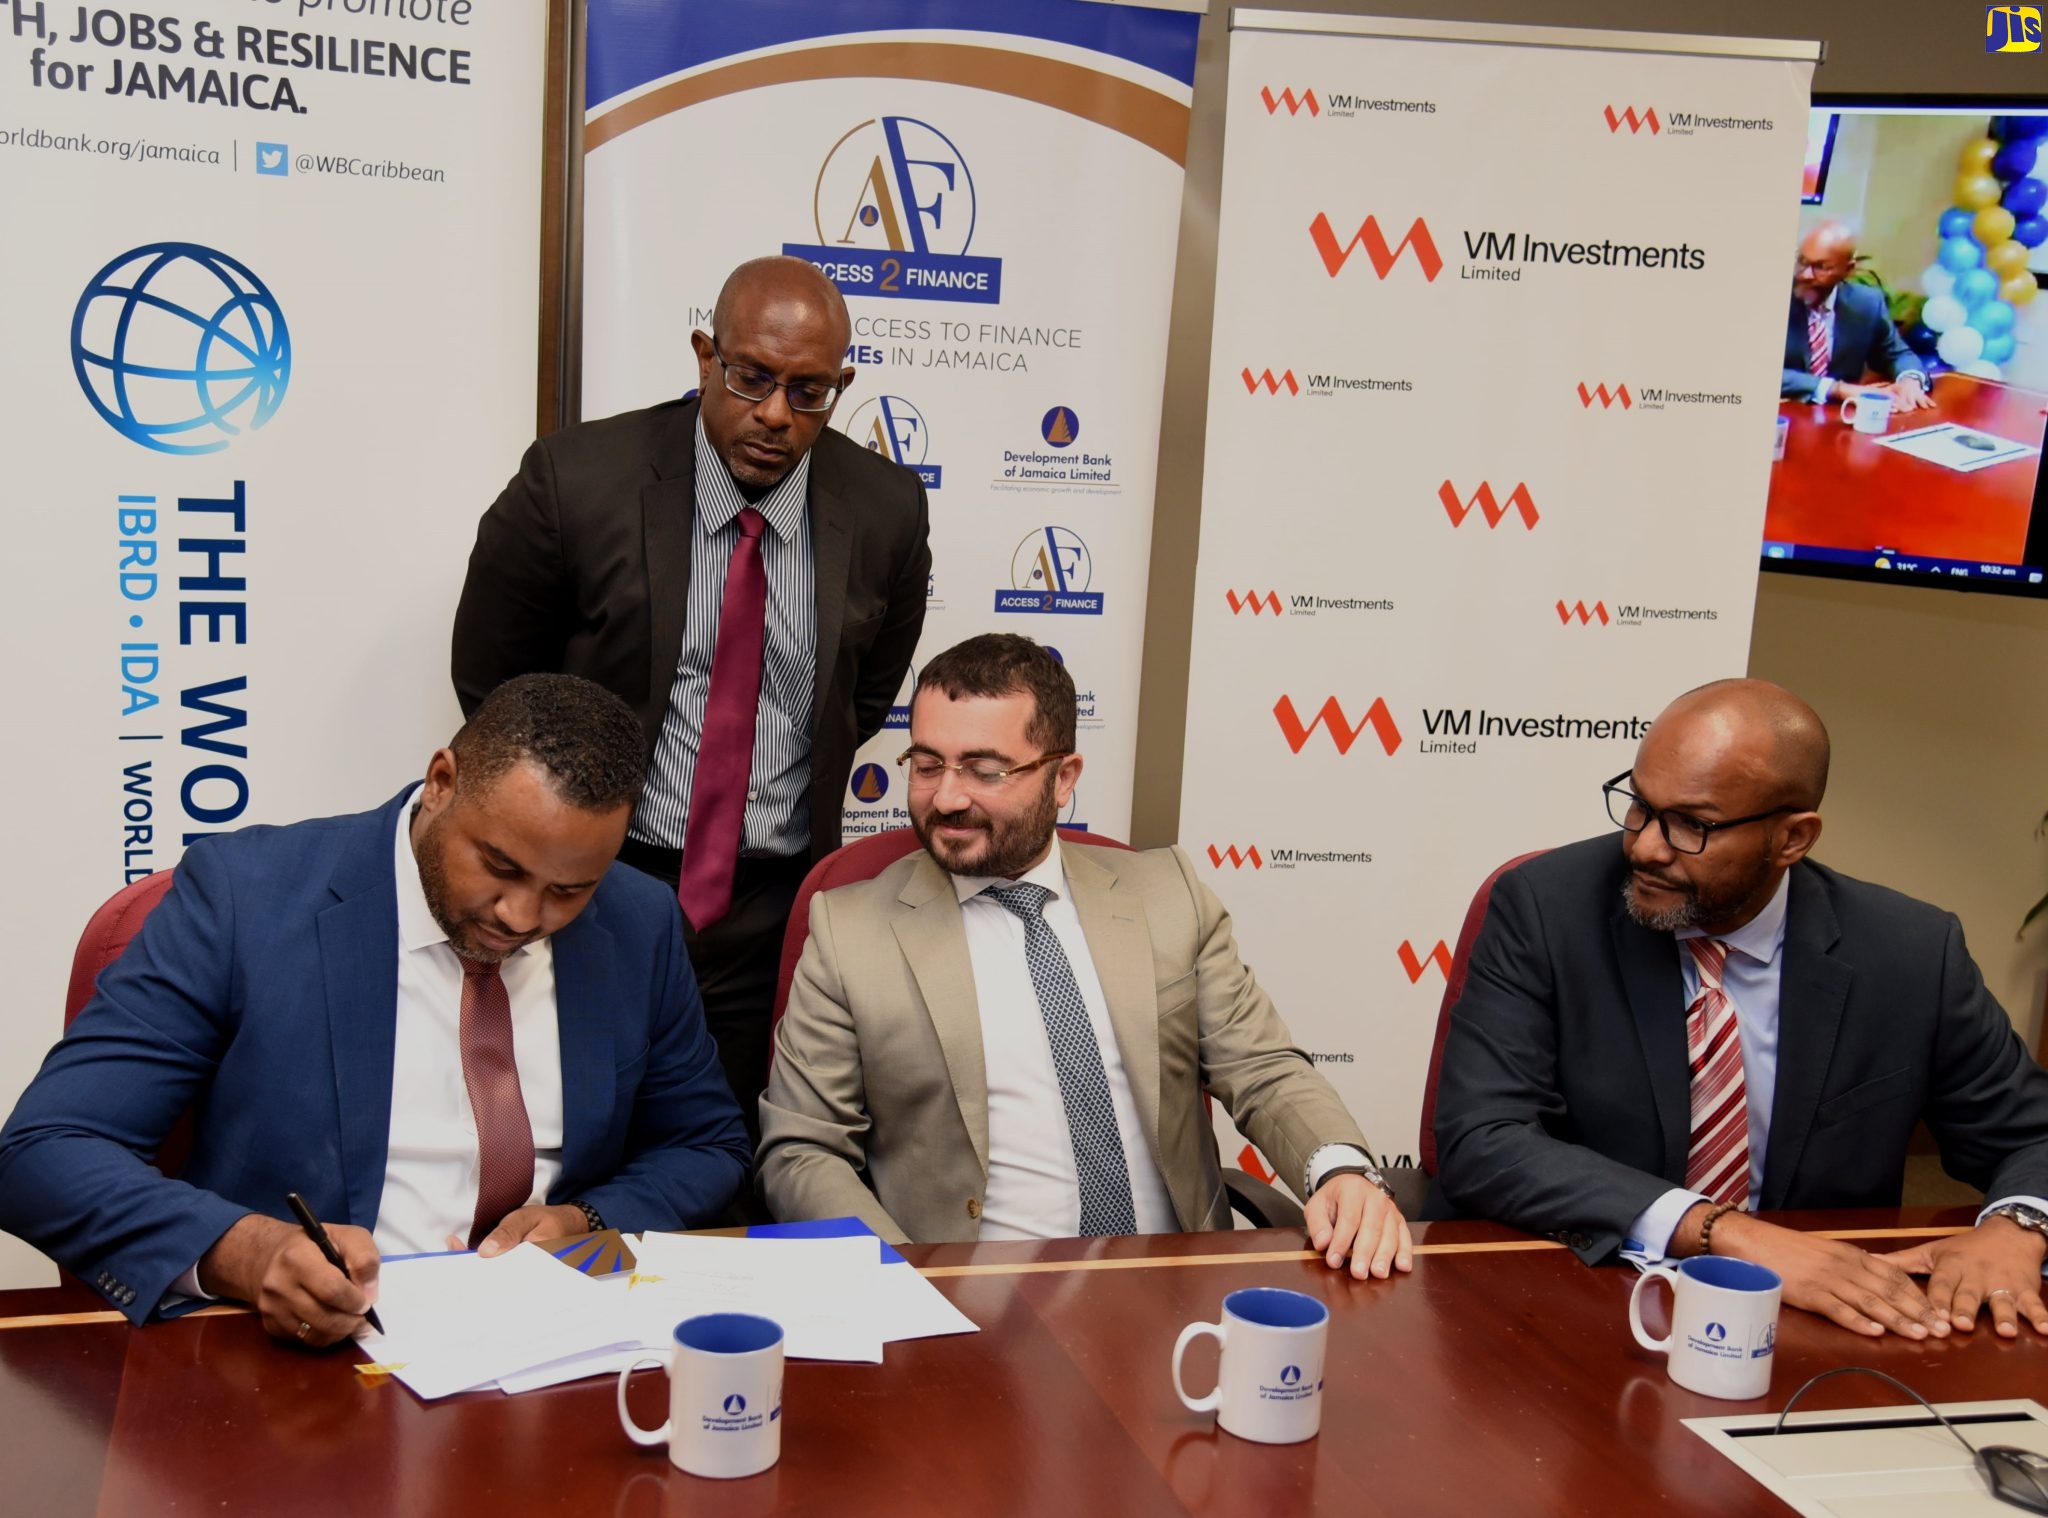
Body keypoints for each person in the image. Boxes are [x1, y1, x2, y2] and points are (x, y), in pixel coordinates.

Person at [0, 674, 749, 1345]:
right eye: (499, 866)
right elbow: (42, 1151)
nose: (523, 916)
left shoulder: (637, 921)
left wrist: (586, 1222)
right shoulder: (246, 898)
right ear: (442, 782)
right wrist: (246, 1250)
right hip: (306, 1363)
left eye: (569, 890)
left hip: (559, 1348)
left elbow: (706, 1144)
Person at [759, 634, 1412, 1279]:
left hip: (1175, 1296)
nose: (949, 797)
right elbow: (803, 1150)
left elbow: (1264, 1069)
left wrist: (1340, 1170)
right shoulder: (851, 932)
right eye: (928, 765)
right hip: (971, 1305)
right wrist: (903, 1284)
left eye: (986, 771)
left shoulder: (1167, 898)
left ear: (1063, 777)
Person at [452, 256, 931, 1136]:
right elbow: (495, 686)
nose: (776, 415)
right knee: (579, 1136)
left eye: (810, 391)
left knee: (728, 1157)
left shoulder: (886, 507)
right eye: (752, 377)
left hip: (771, 905)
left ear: (843, 386)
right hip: (596, 886)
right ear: (705, 357)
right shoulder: (577, 482)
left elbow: (858, 704)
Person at [1430, 679, 2048, 1340]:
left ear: (1792, 839)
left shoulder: (1911, 954)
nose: (1644, 846)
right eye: (1640, 805)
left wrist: (2019, 1224)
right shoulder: (1548, 909)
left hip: (1821, 1326)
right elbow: (1483, 1137)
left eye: (1691, 825)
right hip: (1587, 1300)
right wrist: (1722, 1232)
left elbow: (2030, 1133)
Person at [1781, 223, 1935, 410]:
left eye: (1821, 267)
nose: (1805, 275)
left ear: (1848, 270)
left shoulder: (1866, 303)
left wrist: (1910, 380)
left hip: (1838, 419)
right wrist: (1836, 389)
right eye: (1802, 262)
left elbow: (1896, 354)